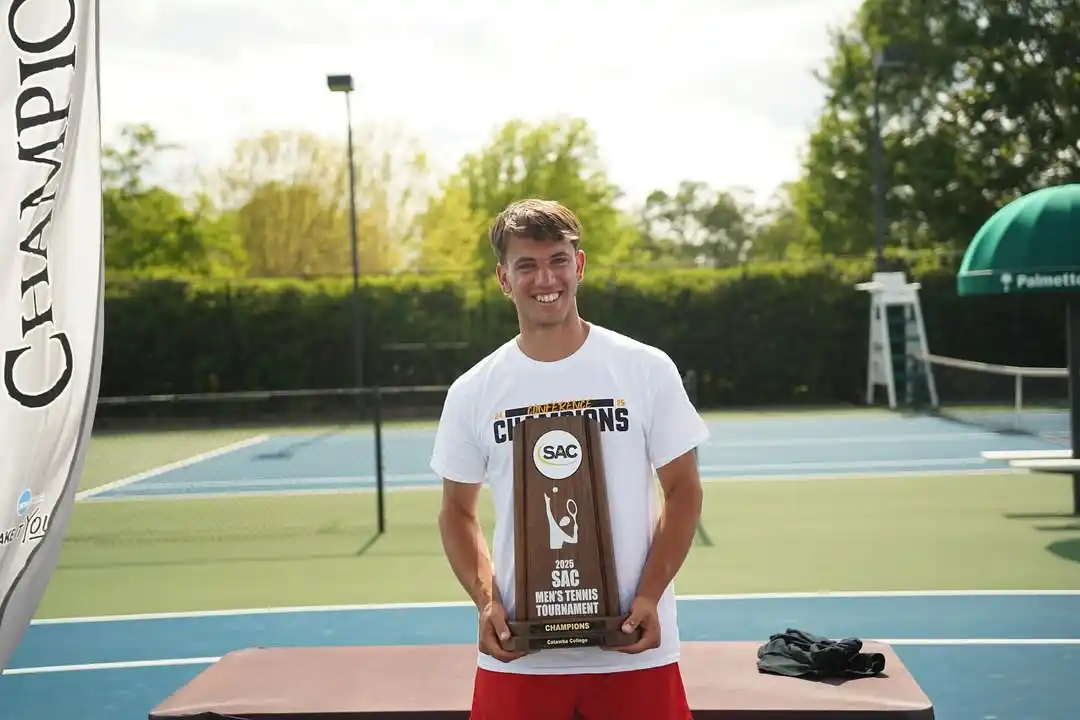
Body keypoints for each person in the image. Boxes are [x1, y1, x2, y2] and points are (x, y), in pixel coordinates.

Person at [431, 198, 710, 720]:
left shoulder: (644, 369)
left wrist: (649, 595)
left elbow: (683, 491)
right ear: (503, 278)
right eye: (527, 265)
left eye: (558, 259)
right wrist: (488, 602)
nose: (546, 278)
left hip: (632, 648)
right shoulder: (474, 391)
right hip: (522, 656)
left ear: (578, 266)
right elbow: (456, 511)